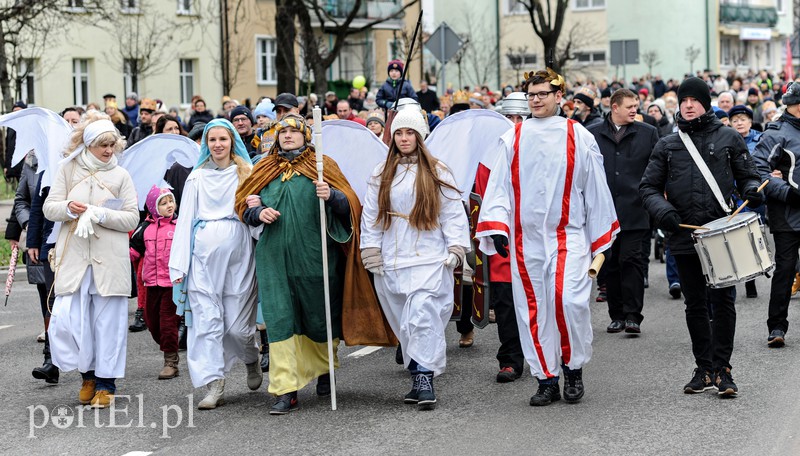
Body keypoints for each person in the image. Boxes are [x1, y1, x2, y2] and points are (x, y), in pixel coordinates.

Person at [476, 68, 619, 406]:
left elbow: (595, 187)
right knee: (534, 310)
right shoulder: (514, 136)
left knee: (567, 301)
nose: (536, 100)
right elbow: (497, 185)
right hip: (527, 241)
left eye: (542, 94)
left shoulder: (578, 135)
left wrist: (602, 239)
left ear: (559, 97)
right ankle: (547, 378)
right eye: (531, 94)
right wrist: (497, 226)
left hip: (569, 236)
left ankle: (573, 369)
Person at [640, 77, 763, 397]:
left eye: (694, 99)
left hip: (721, 233)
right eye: (684, 100)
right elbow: (648, 188)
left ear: (705, 103)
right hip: (684, 234)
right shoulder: (668, 143)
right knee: (695, 304)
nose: (689, 105)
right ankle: (703, 367)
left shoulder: (728, 137)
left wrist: (751, 190)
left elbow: (748, 176)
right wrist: (662, 211)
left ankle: (722, 368)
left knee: (722, 302)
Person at [235, 114, 360, 415]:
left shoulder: (322, 165)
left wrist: (333, 196)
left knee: (319, 315)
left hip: (315, 255)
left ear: (306, 136)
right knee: (279, 319)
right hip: (275, 256)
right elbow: (242, 204)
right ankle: (285, 388)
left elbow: (351, 204)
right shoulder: (264, 167)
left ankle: (323, 370)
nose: (288, 135)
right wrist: (257, 213)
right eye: (283, 131)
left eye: (294, 131)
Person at [360, 107, 470, 410]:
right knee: (405, 325)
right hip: (393, 260)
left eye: (410, 132)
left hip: (429, 258)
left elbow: (451, 212)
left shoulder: (437, 171)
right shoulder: (381, 173)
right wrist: (370, 250)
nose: (404, 138)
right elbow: (371, 216)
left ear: (420, 136)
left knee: (422, 317)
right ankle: (418, 369)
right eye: (399, 132)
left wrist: (456, 248)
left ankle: (424, 377)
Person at [43, 112, 140, 408]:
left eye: (112, 144)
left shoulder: (121, 175)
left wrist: (102, 214)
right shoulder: (68, 169)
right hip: (75, 259)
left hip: (109, 261)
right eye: (102, 145)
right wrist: (70, 209)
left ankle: (105, 383)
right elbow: (50, 207)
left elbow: (132, 217)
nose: (108, 150)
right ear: (88, 145)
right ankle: (87, 375)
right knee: (70, 321)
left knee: (108, 324)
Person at [168, 119, 260, 410]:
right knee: (207, 322)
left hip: (239, 252)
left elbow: (255, 216)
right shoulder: (196, 179)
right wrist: (179, 265)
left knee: (237, 327)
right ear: (206, 144)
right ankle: (214, 383)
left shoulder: (246, 174)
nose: (218, 145)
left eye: (223, 139)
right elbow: (185, 221)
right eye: (212, 140)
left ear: (232, 141)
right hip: (203, 257)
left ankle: (251, 356)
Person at [588, 89, 659, 335]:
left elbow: (656, 169)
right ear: (614, 107)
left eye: (636, 106)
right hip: (603, 214)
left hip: (635, 210)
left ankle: (633, 316)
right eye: (629, 106)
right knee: (610, 266)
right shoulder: (592, 134)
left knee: (632, 262)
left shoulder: (648, 133)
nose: (634, 110)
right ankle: (616, 315)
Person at [752, 82, 800, 348]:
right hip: (787, 214)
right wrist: (789, 193)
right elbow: (759, 170)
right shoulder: (776, 132)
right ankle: (777, 327)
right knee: (785, 270)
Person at [130, 186, 181, 379]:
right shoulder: (144, 229)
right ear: (152, 206)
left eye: (171, 201)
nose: (169, 205)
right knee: (152, 322)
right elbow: (133, 251)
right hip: (151, 283)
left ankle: (171, 361)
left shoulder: (179, 226)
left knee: (168, 321)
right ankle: (170, 344)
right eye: (163, 202)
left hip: (172, 284)